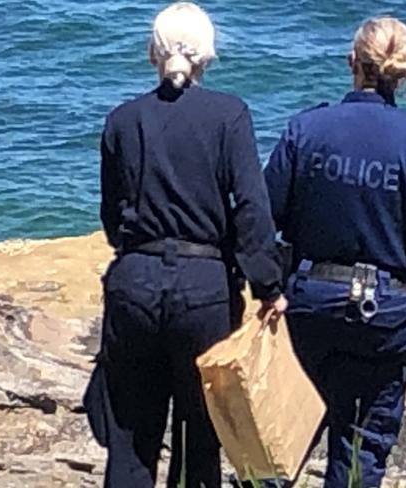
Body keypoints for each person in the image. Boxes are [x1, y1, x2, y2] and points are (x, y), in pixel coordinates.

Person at [264, 17, 406, 488]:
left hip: (307, 307)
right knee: (361, 450)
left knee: (280, 440)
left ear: (351, 64)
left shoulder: (306, 129)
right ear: (405, 74)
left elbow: (264, 217)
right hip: (384, 316)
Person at [82, 3, 287, 487]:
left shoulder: (121, 120)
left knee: (131, 438)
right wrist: (268, 286)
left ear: (154, 53)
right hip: (204, 287)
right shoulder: (229, 115)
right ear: (206, 55)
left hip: (135, 280)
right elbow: (251, 208)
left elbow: (112, 217)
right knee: (202, 437)